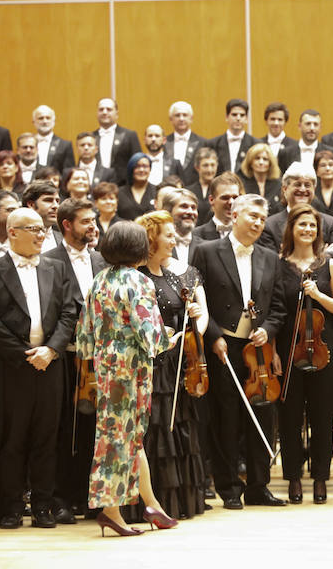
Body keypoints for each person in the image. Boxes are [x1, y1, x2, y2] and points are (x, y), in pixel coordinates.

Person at [76, 221, 176, 535]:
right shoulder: (139, 281)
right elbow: (150, 333)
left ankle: (151, 505)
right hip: (131, 367)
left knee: (126, 437)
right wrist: (166, 339)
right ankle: (110, 511)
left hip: (105, 364)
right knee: (119, 439)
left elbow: (83, 334)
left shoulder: (99, 279)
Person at [191, 194, 287, 510]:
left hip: (257, 347)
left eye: (262, 218)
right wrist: (214, 335)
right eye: (253, 217)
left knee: (261, 410)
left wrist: (269, 329)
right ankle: (229, 486)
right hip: (224, 346)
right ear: (235, 216)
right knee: (226, 416)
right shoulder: (206, 252)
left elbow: (277, 307)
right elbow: (197, 300)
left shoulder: (270, 257)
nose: (259, 223)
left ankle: (259, 486)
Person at [0, 208, 77, 529]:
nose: (41, 235)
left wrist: (51, 350)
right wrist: (25, 354)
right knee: (12, 439)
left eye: (42, 229)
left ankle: (42, 506)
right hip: (13, 368)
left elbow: (68, 314)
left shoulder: (57, 267)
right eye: (33, 229)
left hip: (50, 365)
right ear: (12, 232)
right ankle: (11, 507)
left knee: (46, 438)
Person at [133, 211, 208, 520]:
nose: (173, 238)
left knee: (178, 426)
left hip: (177, 363)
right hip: (153, 364)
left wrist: (193, 317)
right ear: (151, 240)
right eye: (167, 234)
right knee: (155, 428)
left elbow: (197, 317)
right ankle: (153, 501)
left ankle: (180, 503)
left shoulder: (176, 276)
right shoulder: (137, 277)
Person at [44, 198, 106, 523]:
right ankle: (61, 498)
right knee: (63, 430)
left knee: (91, 429)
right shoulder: (49, 260)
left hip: (96, 360)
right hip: (65, 358)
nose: (93, 227)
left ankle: (88, 496)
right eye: (86, 222)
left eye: (94, 220)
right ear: (66, 225)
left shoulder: (99, 259)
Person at [275, 204, 333, 505]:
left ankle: (321, 478)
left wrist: (318, 295)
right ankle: (294, 478)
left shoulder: (330, 264)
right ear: (292, 228)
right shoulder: (279, 264)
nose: (308, 230)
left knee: (322, 415)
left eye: (312, 226)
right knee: (290, 417)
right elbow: (275, 310)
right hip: (289, 348)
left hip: (324, 349)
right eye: (302, 225)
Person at [94, 98, 142, 184]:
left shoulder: (130, 135)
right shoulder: (91, 137)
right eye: (101, 109)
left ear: (116, 113)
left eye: (109, 109)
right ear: (97, 113)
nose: (104, 112)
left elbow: (138, 162)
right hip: (96, 187)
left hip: (123, 187)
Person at [207, 98, 257, 175]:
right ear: (227, 117)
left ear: (246, 119)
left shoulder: (255, 144)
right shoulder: (212, 144)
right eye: (234, 114)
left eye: (242, 115)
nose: (238, 118)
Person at [164, 101, 207, 184]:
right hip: (169, 191)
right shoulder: (163, 142)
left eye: (185, 115)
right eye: (177, 115)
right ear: (171, 119)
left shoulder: (203, 143)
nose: (181, 119)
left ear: (191, 118)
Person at [192, 172, 243, 241]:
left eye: (235, 197)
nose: (231, 202)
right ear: (211, 200)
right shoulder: (196, 235)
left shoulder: (248, 233)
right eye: (225, 197)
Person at [238, 143, 282, 214]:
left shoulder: (278, 185)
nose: (261, 162)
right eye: (257, 158)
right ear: (250, 162)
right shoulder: (242, 183)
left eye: (265, 159)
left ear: (270, 163)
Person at [117, 153, 158, 220]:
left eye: (145, 166)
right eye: (137, 166)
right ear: (131, 169)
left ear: (150, 169)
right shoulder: (119, 193)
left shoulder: (157, 191)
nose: (141, 170)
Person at [185, 147, 219, 225]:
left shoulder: (221, 191)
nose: (209, 170)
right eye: (205, 165)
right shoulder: (188, 191)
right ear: (197, 167)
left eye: (213, 165)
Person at [312, 150, 333, 220]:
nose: (327, 168)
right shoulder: (311, 192)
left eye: (331, 165)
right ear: (316, 171)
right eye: (323, 165)